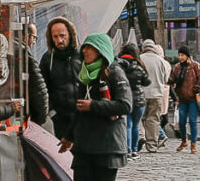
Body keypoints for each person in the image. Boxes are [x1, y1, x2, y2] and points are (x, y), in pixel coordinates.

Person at [58, 33, 132, 181]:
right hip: (84, 147)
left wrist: (93, 105)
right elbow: (80, 110)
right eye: (84, 48)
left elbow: (125, 105)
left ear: (101, 50)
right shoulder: (85, 75)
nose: (85, 51)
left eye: (90, 48)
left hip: (106, 147)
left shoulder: (115, 72)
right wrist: (69, 136)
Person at [40, 17, 82, 137]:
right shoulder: (47, 59)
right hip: (60, 118)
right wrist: (52, 112)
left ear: (70, 34)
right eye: (55, 36)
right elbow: (42, 87)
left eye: (62, 35)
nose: (59, 40)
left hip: (82, 116)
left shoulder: (81, 55)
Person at [113, 43, 150, 159]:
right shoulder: (139, 66)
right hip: (139, 100)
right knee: (135, 125)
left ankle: (127, 150)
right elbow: (147, 81)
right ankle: (134, 150)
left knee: (127, 125)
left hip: (125, 98)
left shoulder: (118, 66)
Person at [168, 46, 200, 153]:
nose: (180, 57)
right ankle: (184, 141)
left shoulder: (195, 66)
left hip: (193, 98)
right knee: (182, 122)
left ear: (187, 55)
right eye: (179, 55)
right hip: (182, 98)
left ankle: (193, 144)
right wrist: (167, 79)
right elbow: (173, 78)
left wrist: (195, 89)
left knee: (193, 121)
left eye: (182, 55)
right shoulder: (177, 67)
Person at [139, 39, 171, 153]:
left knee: (139, 118)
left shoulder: (140, 59)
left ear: (143, 48)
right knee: (153, 120)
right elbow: (165, 78)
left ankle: (140, 137)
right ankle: (152, 145)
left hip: (141, 93)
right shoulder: (161, 61)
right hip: (156, 94)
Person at [19, 24, 49, 126]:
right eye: (34, 38)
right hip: (20, 117)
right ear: (26, 36)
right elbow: (39, 92)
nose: (34, 42)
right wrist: (39, 120)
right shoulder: (24, 55)